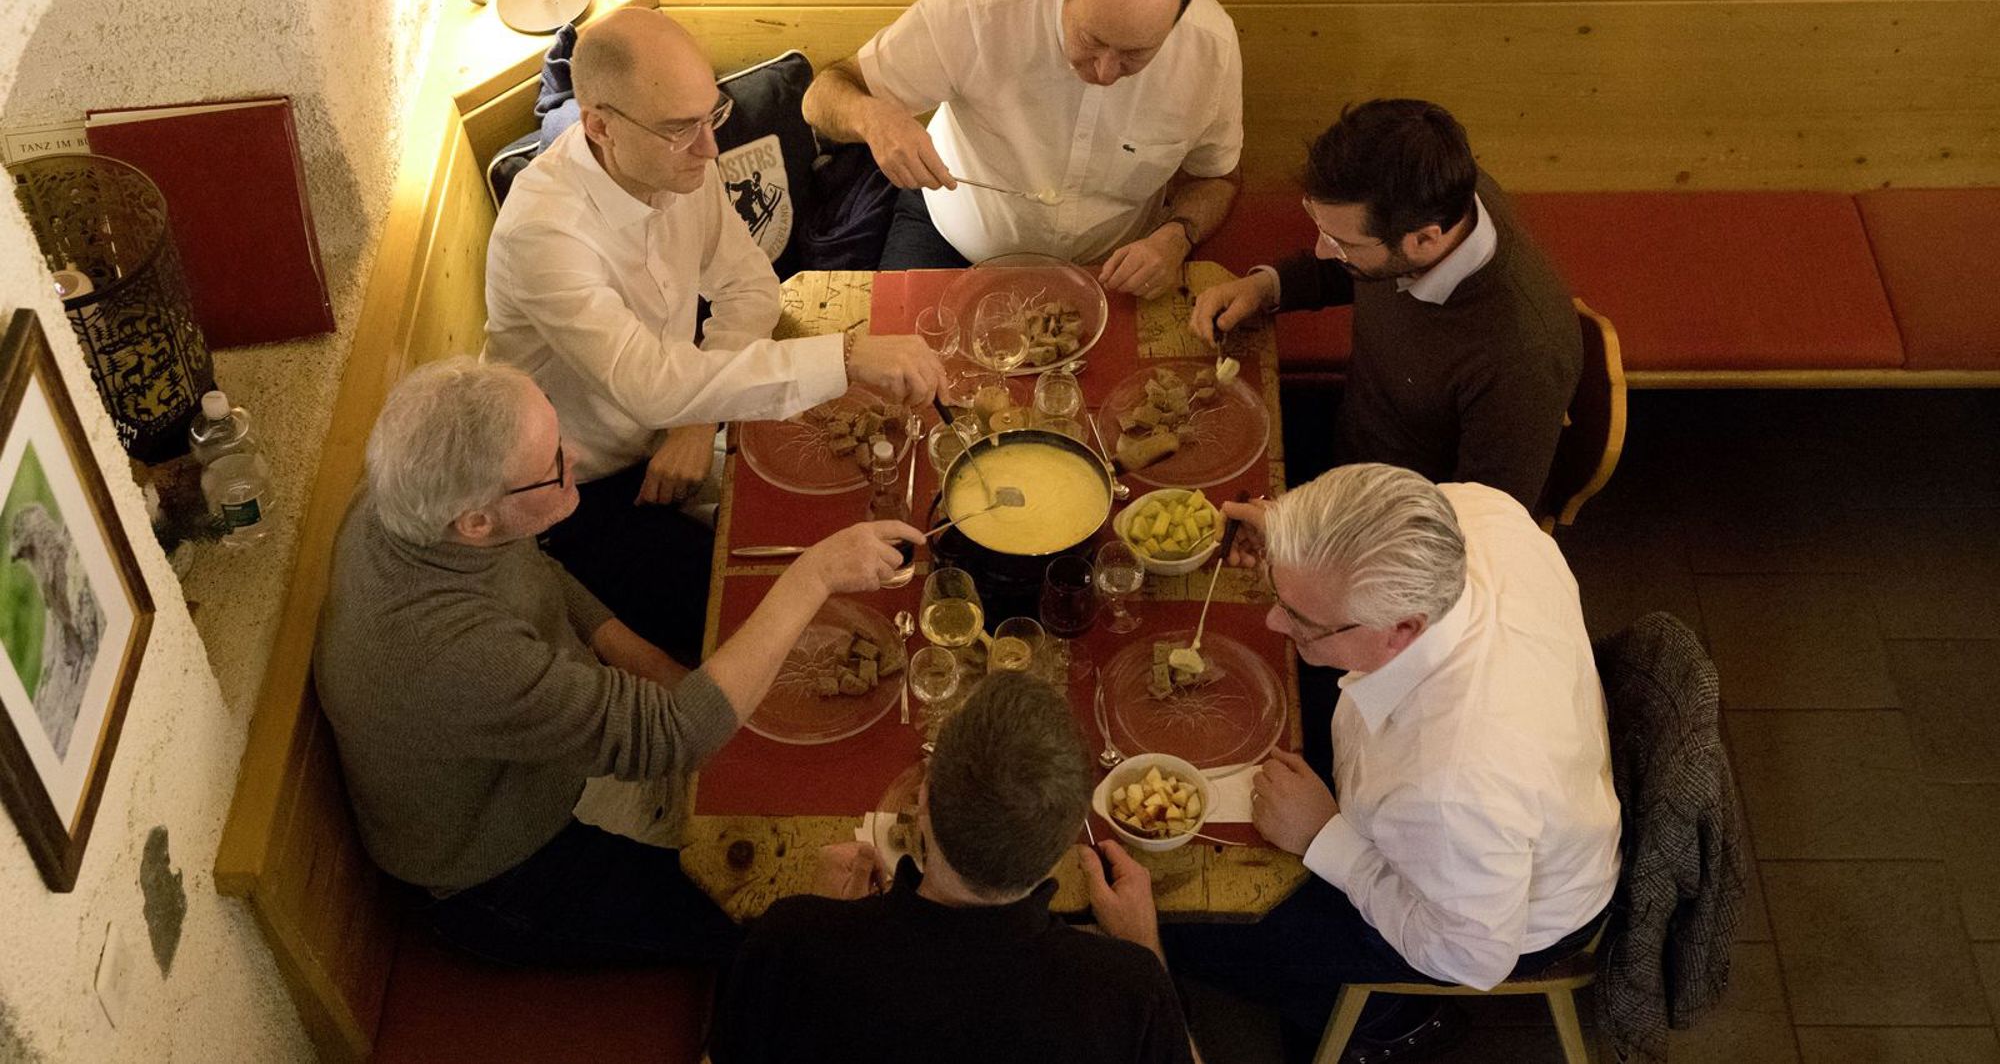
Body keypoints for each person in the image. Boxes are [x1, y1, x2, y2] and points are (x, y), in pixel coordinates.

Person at [315, 356, 926, 968]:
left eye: (559, 437)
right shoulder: (454, 655)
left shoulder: (408, 502)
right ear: (475, 521)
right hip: (500, 863)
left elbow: (533, 569)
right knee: (770, 930)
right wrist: (813, 575)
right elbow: (674, 736)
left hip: (541, 755)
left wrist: (645, 659)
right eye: (554, 463)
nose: (575, 457)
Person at [486, 7, 946, 661]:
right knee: (779, 634)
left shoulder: (676, 163)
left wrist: (697, 423)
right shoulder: (543, 234)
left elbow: (750, 288)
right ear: (600, 126)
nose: (709, 149)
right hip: (577, 490)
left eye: (712, 116)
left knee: (869, 510)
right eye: (681, 129)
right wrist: (844, 355)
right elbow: (650, 386)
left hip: (680, 421)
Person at [1164, 465, 1620, 1063]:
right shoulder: (1481, 510)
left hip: (1475, 918)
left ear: (1402, 629)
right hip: (1499, 818)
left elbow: (1473, 956)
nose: (1275, 619)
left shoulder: (1452, 785)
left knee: (1190, 929)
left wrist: (1324, 838)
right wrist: (1294, 541)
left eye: (1301, 618)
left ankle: (1389, 1019)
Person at [710, 671, 1199, 1064]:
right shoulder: (1131, 993)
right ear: (1068, 839)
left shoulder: (790, 942)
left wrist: (825, 925)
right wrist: (1144, 945)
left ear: (922, 798)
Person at [802, 0, 1243, 297]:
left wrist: (1177, 236)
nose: (1106, 72)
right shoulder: (983, 3)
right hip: (950, 237)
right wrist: (874, 120)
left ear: (1177, 20)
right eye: (1091, 39)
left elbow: (1218, 178)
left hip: (1113, 265)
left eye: (1135, 53)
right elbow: (822, 96)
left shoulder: (1211, 49)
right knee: (900, 361)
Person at [1189, 99, 1580, 514]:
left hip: (1395, 515)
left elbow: (1482, 524)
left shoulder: (1523, 361)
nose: (1322, 251)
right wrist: (1266, 287)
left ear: (1425, 239)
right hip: (1351, 442)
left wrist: (1311, 532)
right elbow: (1361, 266)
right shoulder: (1434, 194)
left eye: (1340, 243)